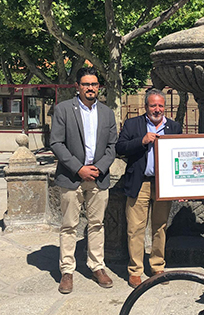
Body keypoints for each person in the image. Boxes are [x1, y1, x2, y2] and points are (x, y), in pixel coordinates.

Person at [50, 67, 117, 294]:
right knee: (69, 225)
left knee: (97, 224)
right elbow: (56, 143)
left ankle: (97, 266)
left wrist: (98, 168)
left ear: (99, 87)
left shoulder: (107, 113)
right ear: (77, 86)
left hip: (98, 177)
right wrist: (79, 169)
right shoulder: (63, 110)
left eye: (94, 84)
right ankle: (67, 270)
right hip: (71, 177)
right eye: (86, 84)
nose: (90, 88)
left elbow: (112, 146)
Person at [116, 88, 182, 288]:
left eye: (161, 105)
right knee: (135, 229)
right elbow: (120, 148)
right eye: (153, 105)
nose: (157, 109)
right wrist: (142, 141)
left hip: (164, 185)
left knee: (160, 227)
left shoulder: (174, 127)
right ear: (146, 107)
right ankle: (135, 270)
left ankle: (157, 266)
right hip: (140, 183)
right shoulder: (132, 124)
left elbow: (180, 156)